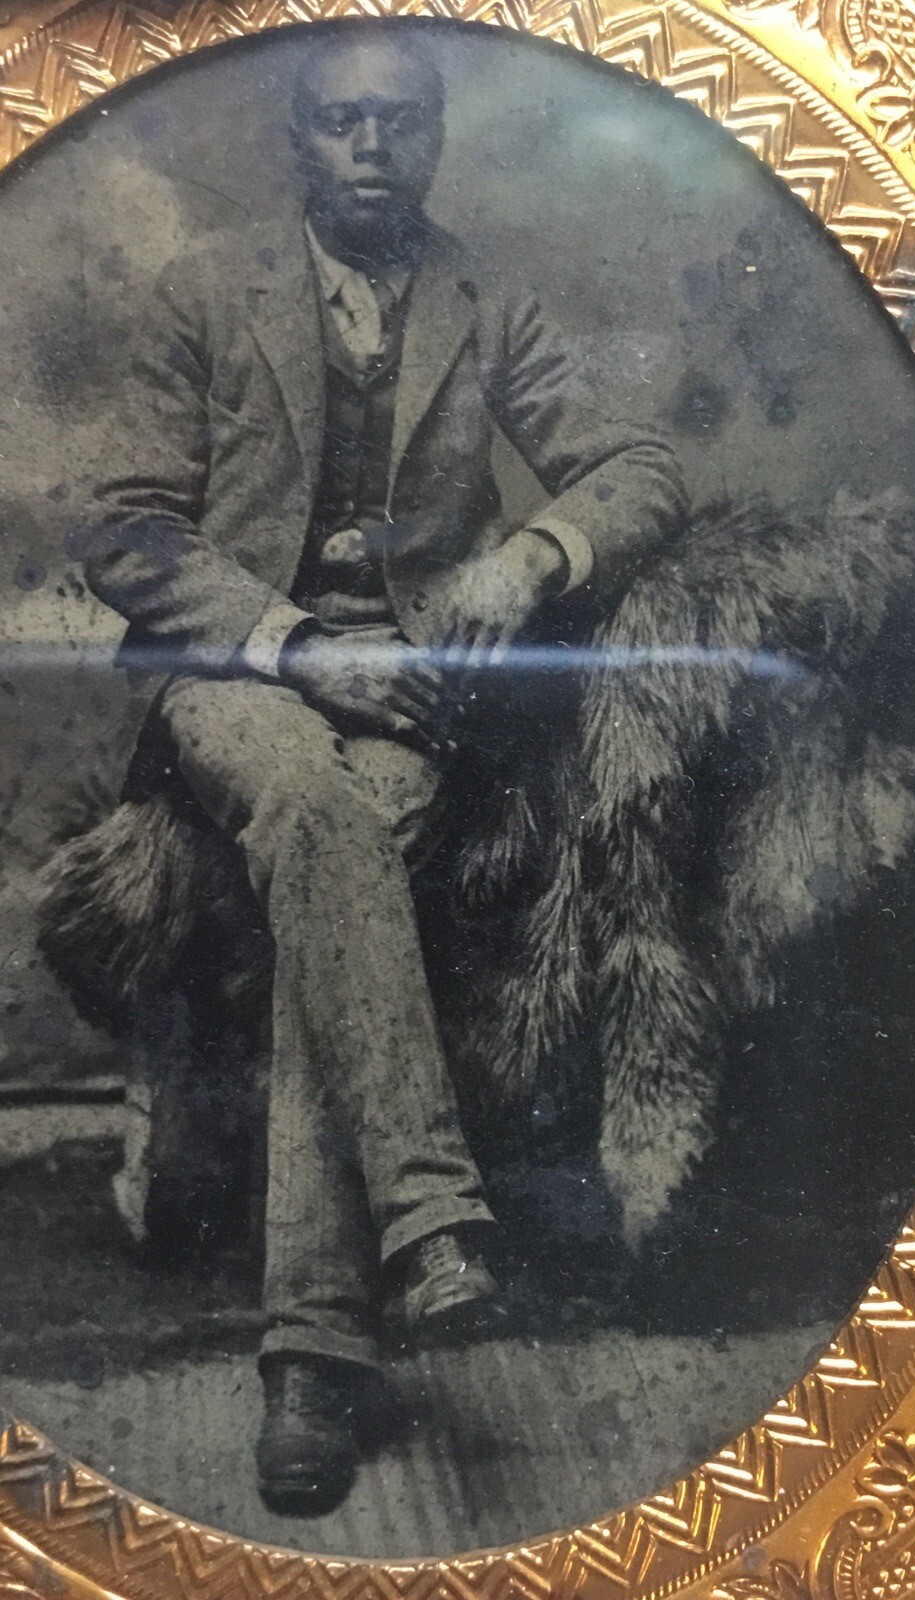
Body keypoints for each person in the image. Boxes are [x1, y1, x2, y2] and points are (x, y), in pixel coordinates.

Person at [77, 27, 686, 1515]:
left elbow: (645, 467)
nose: (369, 148)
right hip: (236, 680)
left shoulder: (492, 304)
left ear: (433, 144)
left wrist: (535, 553)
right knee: (311, 800)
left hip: (417, 688)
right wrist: (292, 644)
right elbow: (124, 531)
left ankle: (321, 1347)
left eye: (397, 125)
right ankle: (405, 1246)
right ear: (301, 144)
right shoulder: (204, 293)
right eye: (341, 124)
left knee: (342, 851)